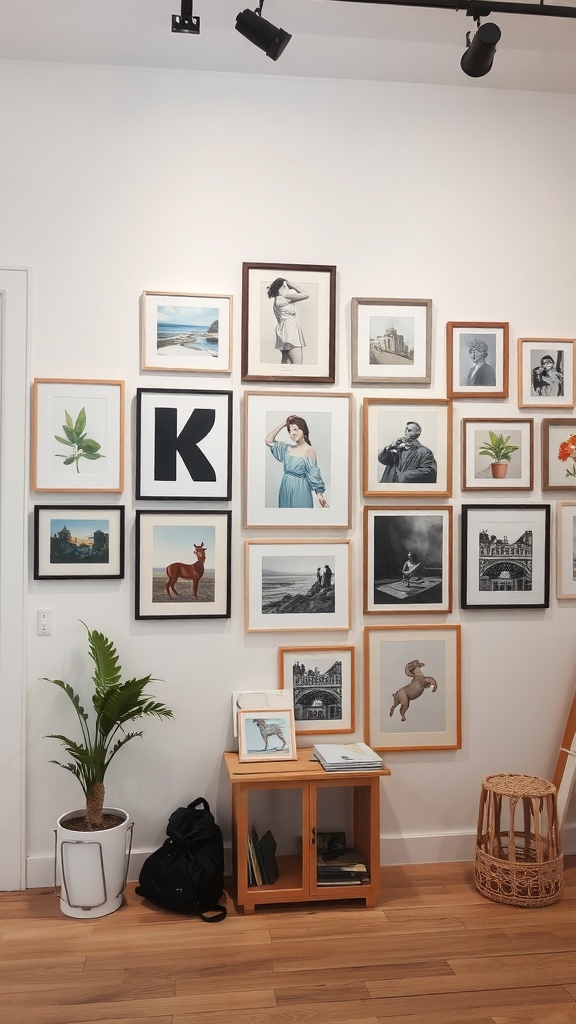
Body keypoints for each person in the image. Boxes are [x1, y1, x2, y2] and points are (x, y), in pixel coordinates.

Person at [265, 415, 329, 509]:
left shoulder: (309, 450)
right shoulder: (286, 448)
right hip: (285, 487)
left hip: (301, 488)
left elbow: (314, 473)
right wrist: (284, 424)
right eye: (290, 431)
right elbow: (268, 441)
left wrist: (319, 495)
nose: (292, 433)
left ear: (304, 430)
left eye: (295, 429)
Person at [267, 278, 309, 365]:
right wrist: (291, 284)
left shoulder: (279, 299)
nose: (287, 287)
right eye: (285, 285)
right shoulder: (284, 298)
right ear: (279, 288)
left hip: (284, 332)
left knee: (286, 363)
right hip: (290, 332)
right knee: (297, 364)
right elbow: (306, 295)